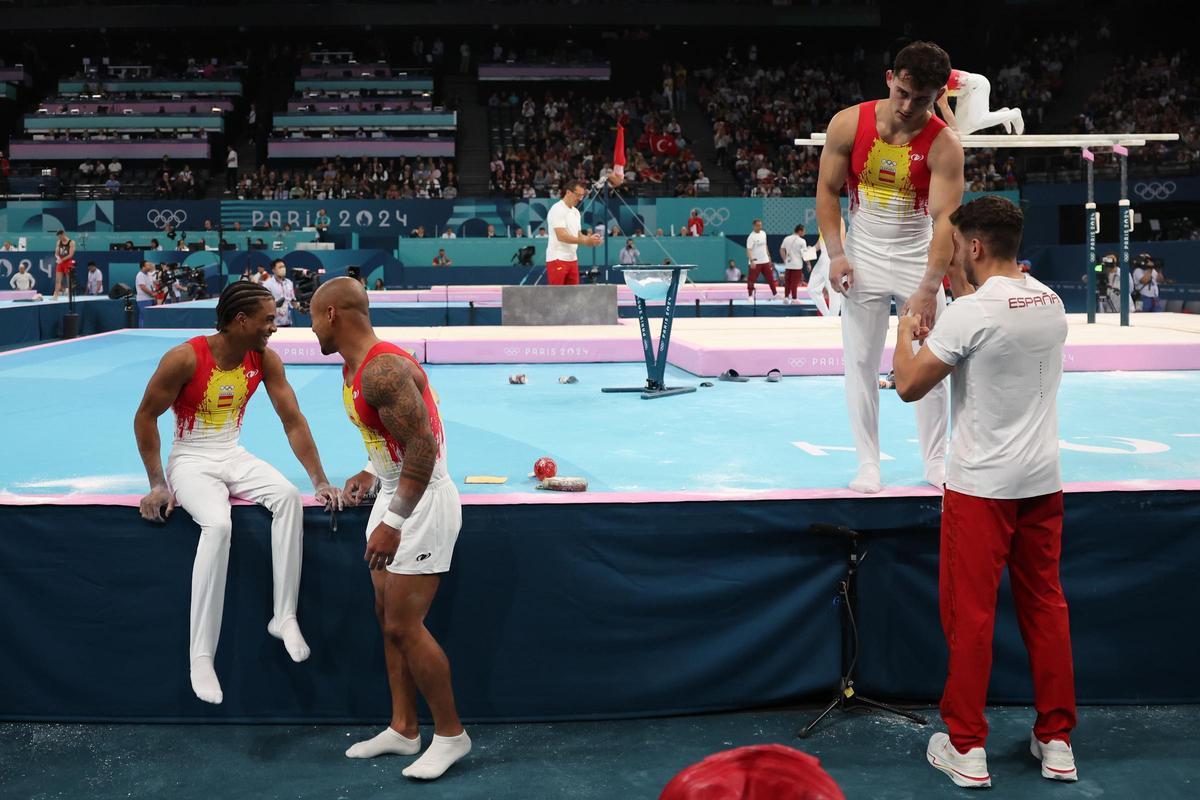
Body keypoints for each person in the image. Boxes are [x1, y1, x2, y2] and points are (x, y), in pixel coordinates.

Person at [891, 195, 1076, 788]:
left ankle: (967, 747)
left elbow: (908, 386)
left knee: (969, 616)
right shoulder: (1052, 303)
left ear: (973, 246)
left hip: (981, 490)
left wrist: (905, 334)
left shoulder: (969, 315)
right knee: (1046, 608)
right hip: (1041, 483)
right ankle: (1057, 740)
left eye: (956, 249)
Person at [133, 281, 342, 705]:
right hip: (191, 459)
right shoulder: (184, 358)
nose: (275, 327)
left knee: (288, 497)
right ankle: (201, 657)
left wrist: (319, 480)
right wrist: (158, 483)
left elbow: (293, 421)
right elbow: (145, 417)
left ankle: (283, 616)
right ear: (241, 320)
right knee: (218, 524)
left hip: (232, 453)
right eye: (268, 319)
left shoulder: (264, 359)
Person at [309, 278, 470, 780]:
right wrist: (371, 471)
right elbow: (391, 437)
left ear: (332, 314)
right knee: (387, 618)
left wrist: (394, 522)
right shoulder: (352, 368)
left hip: (421, 501)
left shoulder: (383, 370)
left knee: (404, 625)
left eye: (311, 317)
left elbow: (422, 448)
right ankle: (403, 728)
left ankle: (451, 735)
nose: (309, 328)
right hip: (394, 491)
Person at [816, 40, 963, 493]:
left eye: (922, 99)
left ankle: (935, 462)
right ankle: (868, 464)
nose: (907, 106)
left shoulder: (945, 144)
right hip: (861, 257)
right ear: (889, 79)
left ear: (939, 95)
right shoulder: (848, 123)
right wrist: (836, 253)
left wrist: (930, 285)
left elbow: (945, 221)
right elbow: (827, 192)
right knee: (860, 362)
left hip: (918, 257)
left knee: (930, 359)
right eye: (902, 92)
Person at [545, 178, 602, 286]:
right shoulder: (557, 209)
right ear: (568, 192)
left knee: (574, 295)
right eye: (577, 195)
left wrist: (590, 240)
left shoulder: (576, 212)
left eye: (582, 196)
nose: (580, 199)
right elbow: (562, 236)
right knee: (557, 294)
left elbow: (579, 235)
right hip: (557, 258)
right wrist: (584, 241)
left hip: (572, 259)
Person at [936, 68, 1025, 136]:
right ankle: (1002, 115)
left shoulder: (937, 81)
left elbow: (945, 107)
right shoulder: (930, 85)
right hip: (964, 93)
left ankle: (1014, 113)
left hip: (977, 84)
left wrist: (953, 131)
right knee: (962, 130)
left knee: (976, 122)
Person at [807, 218, 846, 318]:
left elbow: (842, 241)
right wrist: (812, 250)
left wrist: (839, 260)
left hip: (832, 257)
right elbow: (821, 241)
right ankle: (828, 317)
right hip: (822, 258)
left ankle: (833, 319)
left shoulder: (838, 219)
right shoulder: (822, 220)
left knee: (834, 292)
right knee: (812, 289)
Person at [744, 219, 777, 299]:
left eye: (760, 225)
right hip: (756, 262)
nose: (760, 227)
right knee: (751, 280)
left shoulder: (763, 233)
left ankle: (775, 294)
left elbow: (765, 245)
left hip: (765, 260)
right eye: (758, 225)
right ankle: (750, 296)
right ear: (754, 226)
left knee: (770, 278)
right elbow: (748, 250)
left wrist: (769, 256)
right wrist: (752, 261)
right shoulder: (751, 237)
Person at [262, 259, 298, 327]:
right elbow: (264, 304)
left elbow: (292, 300)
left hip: (288, 322)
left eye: (284, 266)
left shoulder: (289, 283)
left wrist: (298, 306)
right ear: (273, 270)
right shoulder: (267, 285)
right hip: (274, 323)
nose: (283, 269)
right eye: (280, 267)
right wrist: (275, 304)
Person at [780, 224, 810, 304]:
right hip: (797, 265)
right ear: (800, 231)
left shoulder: (786, 239)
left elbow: (781, 250)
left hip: (788, 264)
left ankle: (786, 297)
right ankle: (794, 298)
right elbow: (805, 254)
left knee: (787, 282)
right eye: (804, 231)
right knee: (794, 282)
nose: (804, 233)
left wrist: (784, 259)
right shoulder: (802, 241)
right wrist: (808, 264)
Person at [53, 230, 76, 299]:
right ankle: (55, 295)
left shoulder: (71, 242)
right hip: (60, 262)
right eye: (59, 237)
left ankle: (70, 295)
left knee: (68, 280)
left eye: (60, 237)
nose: (60, 238)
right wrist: (57, 257)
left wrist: (62, 260)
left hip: (68, 262)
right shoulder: (59, 242)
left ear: (63, 234)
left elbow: (71, 255)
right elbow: (56, 252)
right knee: (58, 280)